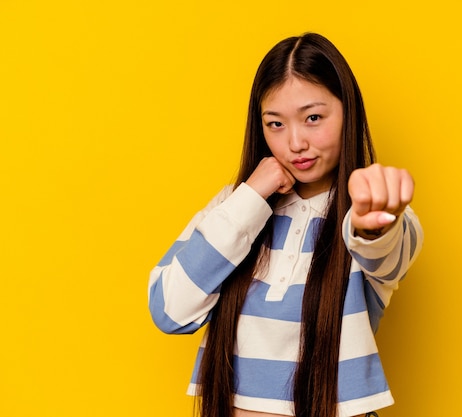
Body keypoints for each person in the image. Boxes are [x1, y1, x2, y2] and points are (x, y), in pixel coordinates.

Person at [148, 33, 423, 417]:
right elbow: (169, 311)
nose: (295, 143)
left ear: (348, 113)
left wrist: (372, 224)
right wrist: (251, 197)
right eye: (275, 124)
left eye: (313, 118)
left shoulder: (364, 213)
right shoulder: (235, 207)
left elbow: (384, 247)